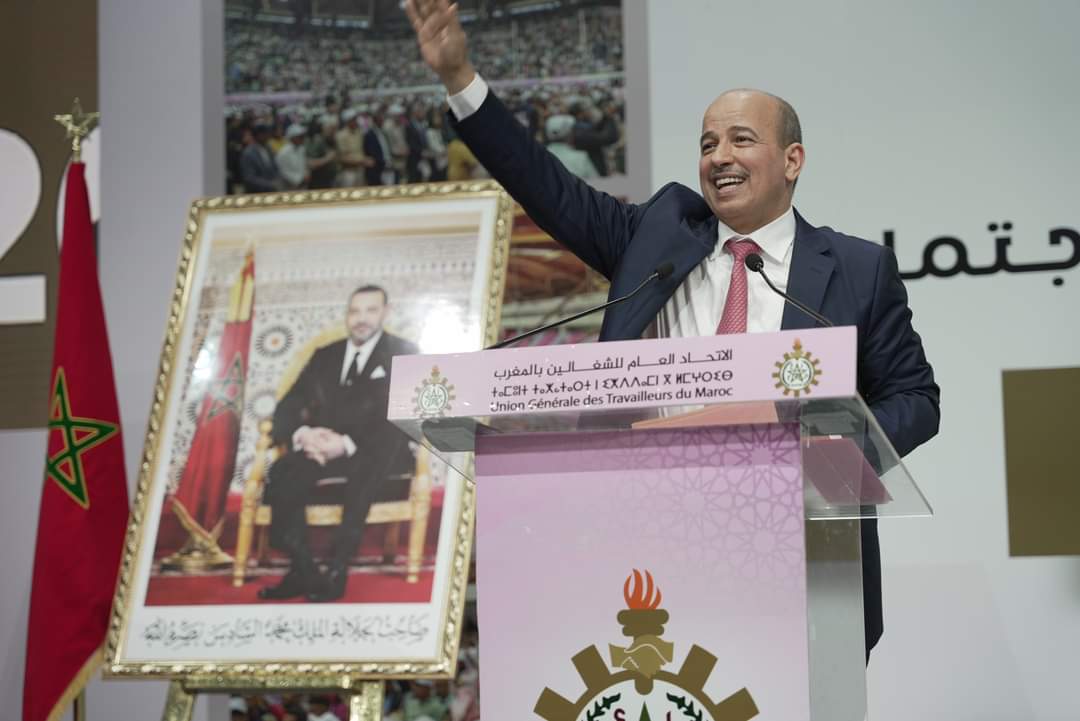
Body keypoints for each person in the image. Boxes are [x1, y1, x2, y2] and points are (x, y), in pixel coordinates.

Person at [404, 0, 940, 659]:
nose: (719, 157)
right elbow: (547, 186)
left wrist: (825, 461)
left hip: (802, 557)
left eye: (741, 139)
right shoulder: (655, 240)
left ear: (792, 159)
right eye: (708, 144)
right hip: (647, 551)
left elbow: (916, 399)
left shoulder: (857, 269)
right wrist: (459, 78)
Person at [258, 285, 418, 603]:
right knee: (284, 469)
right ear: (347, 315)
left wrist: (344, 443)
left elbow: (403, 417)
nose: (361, 319)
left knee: (368, 463)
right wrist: (305, 435)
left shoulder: (404, 353)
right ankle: (302, 567)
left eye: (371, 310)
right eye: (354, 311)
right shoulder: (325, 355)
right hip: (322, 449)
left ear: (385, 313)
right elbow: (288, 406)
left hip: (375, 451)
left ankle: (337, 567)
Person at [240, 123, 283, 192]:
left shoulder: (268, 148)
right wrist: (270, 184)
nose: (268, 136)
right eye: (265, 134)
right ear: (258, 135)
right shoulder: (248, 153)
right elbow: (249, 178)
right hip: (256, 193)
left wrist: (277, 180)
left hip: (271, 189)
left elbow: (275, 167)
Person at [276, 124, 310, 189]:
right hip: (289, 187)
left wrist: (306, 174)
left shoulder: (301, 148)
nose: (303, 139)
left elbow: (304, 164)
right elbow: (284, 172)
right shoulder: (283, 153)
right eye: (300, 137)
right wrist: (300, 179)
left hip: (303, 185)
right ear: (293, 138)